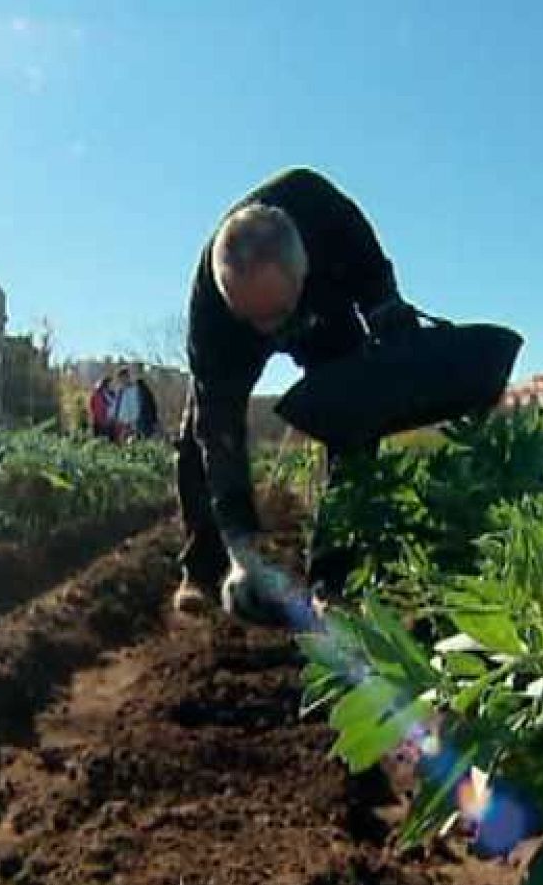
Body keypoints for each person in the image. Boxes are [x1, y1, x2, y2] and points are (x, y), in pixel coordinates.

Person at [173, 167, 422, 622]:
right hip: (241, 330)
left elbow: (374, 278)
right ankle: (203, 570)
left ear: (303, 263)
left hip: (321, 312)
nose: (271, 332)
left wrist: (385, 311)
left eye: (276, 315)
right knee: (197, 436)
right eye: (257, 318)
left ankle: (333, 578)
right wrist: (243, 551)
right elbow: (220, 430)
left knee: (354, 417)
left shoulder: (325, 213)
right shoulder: (213, 313)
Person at [111, 367, 143, 442]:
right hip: (121, 423)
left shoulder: (135, 389)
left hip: (134, 422)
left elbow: (137, 405)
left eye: (124, 377)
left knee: (133, 442)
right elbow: (115, 407)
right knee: (121, 443)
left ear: (128, 377)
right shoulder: (119, 391)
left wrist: (135, 420)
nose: (122, 380)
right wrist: (114, 418)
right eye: (121, 378)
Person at [88, 375, 116, 440]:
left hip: (109, 422)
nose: (111, 385)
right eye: (109, 383)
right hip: (99, 422)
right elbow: (92, 408)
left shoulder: (112, 394)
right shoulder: (97, 394)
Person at [135, 375, 162, 440]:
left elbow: (142, 407)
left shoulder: (141, 392)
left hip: (145, 420)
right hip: (148, 419)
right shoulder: (147, 391)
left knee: (144, 436)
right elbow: (153, 407)